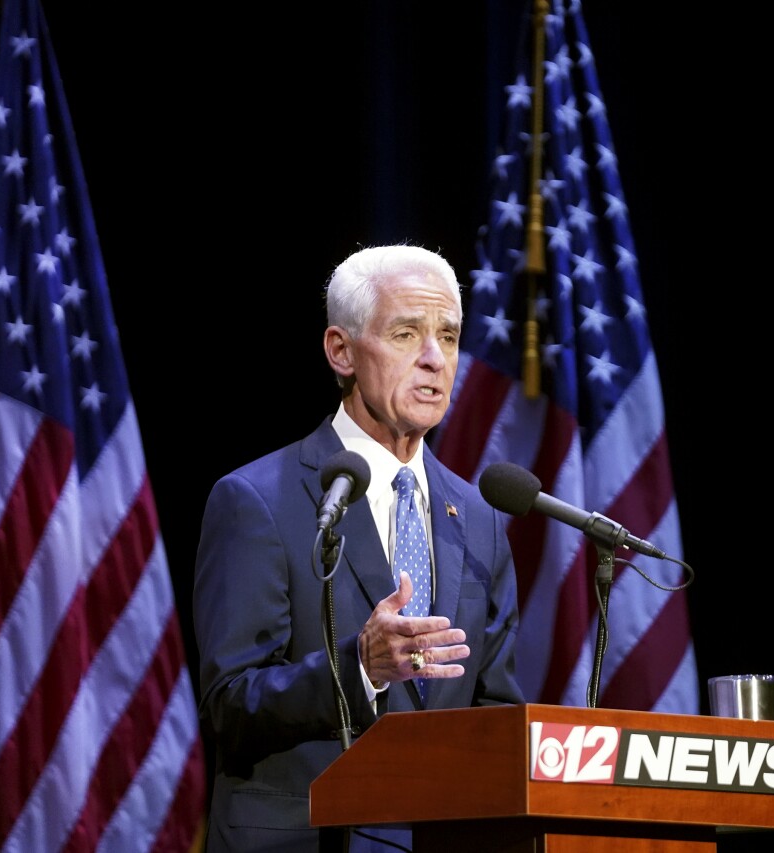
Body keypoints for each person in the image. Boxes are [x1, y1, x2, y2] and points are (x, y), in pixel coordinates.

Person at [192, 244, 525, 853]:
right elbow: (228, 705)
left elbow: (495, 711)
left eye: (448, 337)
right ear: (341, 352)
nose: (434, 360)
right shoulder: (255, 500)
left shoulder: (480, 518)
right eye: (406, 334)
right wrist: (360, 668)